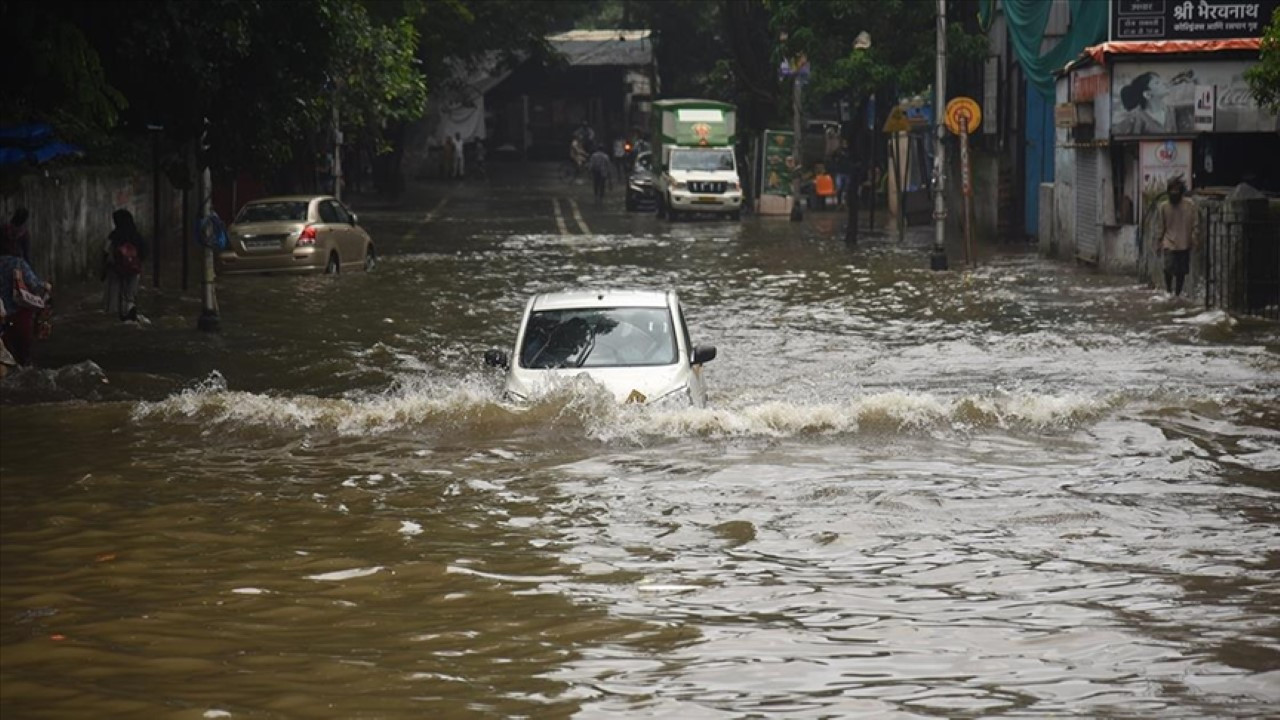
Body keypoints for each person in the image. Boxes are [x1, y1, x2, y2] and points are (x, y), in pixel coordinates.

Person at [0, 233, 50, 368]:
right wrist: (45, 286)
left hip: (1, 320)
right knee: (23, 360)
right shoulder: (17, 263)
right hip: (18, 316)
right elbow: (34, 285)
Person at [1153, 176, 1198, 297]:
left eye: (1176, 190)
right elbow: (1160, 226)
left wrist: (1194, 239)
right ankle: (1168, 290)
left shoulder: (1190, 205)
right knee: (1168, 267)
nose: (1174, 193)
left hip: (1184, 242)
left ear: (1181, 191)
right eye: (1172, 190)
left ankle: (1177, 294)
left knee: (1181, 272)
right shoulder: (1164, 206)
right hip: (1169, 242)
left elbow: (1195, 224)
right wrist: (1158, 243)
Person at [103, 208, 147, 321]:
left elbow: (106, 252)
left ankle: (114, 317)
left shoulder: (114, 236)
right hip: (133, 270)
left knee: (114, 295)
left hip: (116, 270)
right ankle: (130, 313)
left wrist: (103, 270)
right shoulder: (136, 236)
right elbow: (144, 252)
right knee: (130, 296)